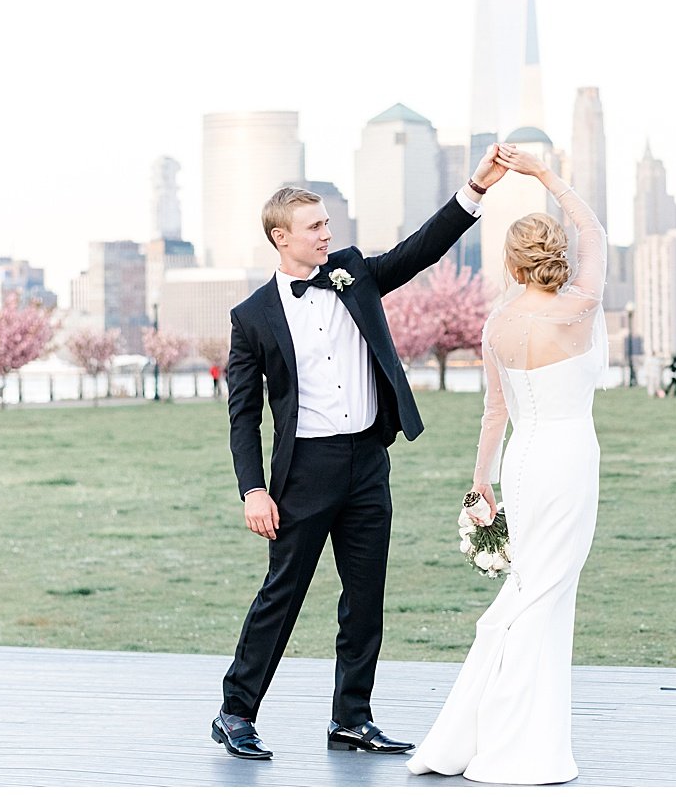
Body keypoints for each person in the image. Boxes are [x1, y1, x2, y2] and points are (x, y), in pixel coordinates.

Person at [210, 146, 509, 761]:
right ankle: (236, 712)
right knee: (283, 592)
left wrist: (476, 188)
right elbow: (244, 413)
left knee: (365, 594)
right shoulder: (252, 317)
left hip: (368, 462)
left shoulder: (352, 272)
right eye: (315, 227)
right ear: (280, 237)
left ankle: (352, 718)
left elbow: (420, 250)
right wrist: (253, 488)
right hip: (304, 472)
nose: (328, 234)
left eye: (327, 225)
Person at [407, 145, 605, 785]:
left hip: (522, 461)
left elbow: (496, 412)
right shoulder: (579, 310)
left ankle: (494, 729)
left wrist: (480, 479)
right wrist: (545, 175)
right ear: (553, 255)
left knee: (530, 589)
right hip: (570, 456)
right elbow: (594, 232)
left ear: (511, 263)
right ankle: (520, 743)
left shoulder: (497, 325)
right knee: (547, 592)